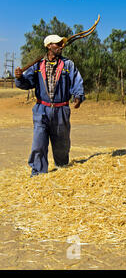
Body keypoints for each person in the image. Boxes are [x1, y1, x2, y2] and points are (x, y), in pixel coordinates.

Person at [14, 35, 85, 177]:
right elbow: (26, 83)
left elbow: (77, 82)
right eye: (57, 44)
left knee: (61, 146)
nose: (61, 46)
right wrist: (19, 77)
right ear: (48, 46)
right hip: (42, 110)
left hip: (61, 111)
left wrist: (78, 96)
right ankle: (38, 174)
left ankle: (62, 169)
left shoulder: (68, 65)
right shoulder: (37, 66)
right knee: (38, 144)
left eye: (61, 44)